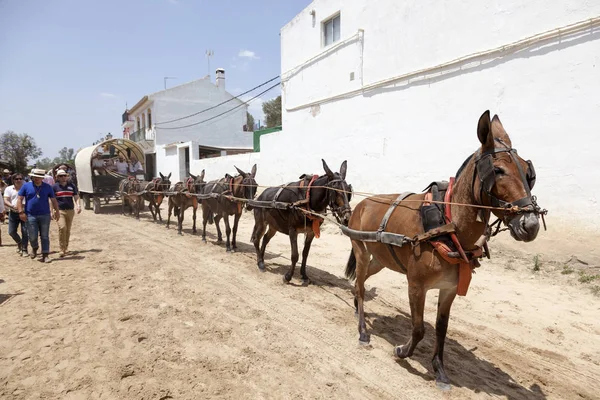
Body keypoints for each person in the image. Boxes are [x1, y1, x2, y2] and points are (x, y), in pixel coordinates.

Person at [17, 168, 60, 263]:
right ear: (32, 176)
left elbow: (53, 200)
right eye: (35, 177)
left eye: (39, 177)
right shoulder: (26, 186)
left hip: (45, 214)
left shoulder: (48, 187)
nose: (37, 178)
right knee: (32, 236)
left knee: (45, 235)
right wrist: (21, 212)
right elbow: (19, 199)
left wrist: (57, 211)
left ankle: (45, 255)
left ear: (42, 178)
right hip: (30, 215)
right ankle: (35, 247)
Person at [52, 170, 81, 257]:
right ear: (57, 177)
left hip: (70, 210)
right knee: (62, 228)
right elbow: (52, 200)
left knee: (68, 230)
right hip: (59, 210)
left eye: (64, 175)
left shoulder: (72, 186)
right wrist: (52, 210)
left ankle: (66, 248)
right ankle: (61, 249)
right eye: (61, 176)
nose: (63, 177)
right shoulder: (54, 187)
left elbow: (76, 196)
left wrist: (78, 205)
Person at [3, 173, 28, 256]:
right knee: (11, 231)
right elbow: (6, 200)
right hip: (13, 212)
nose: (19, 180)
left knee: (25, 231)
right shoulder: (9, 189)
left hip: (25, 212)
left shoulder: (27, 188)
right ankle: (19, 242)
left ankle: (24, 249)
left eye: (20, 178)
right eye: (16, 179)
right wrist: (12, 206)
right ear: (13, 180)